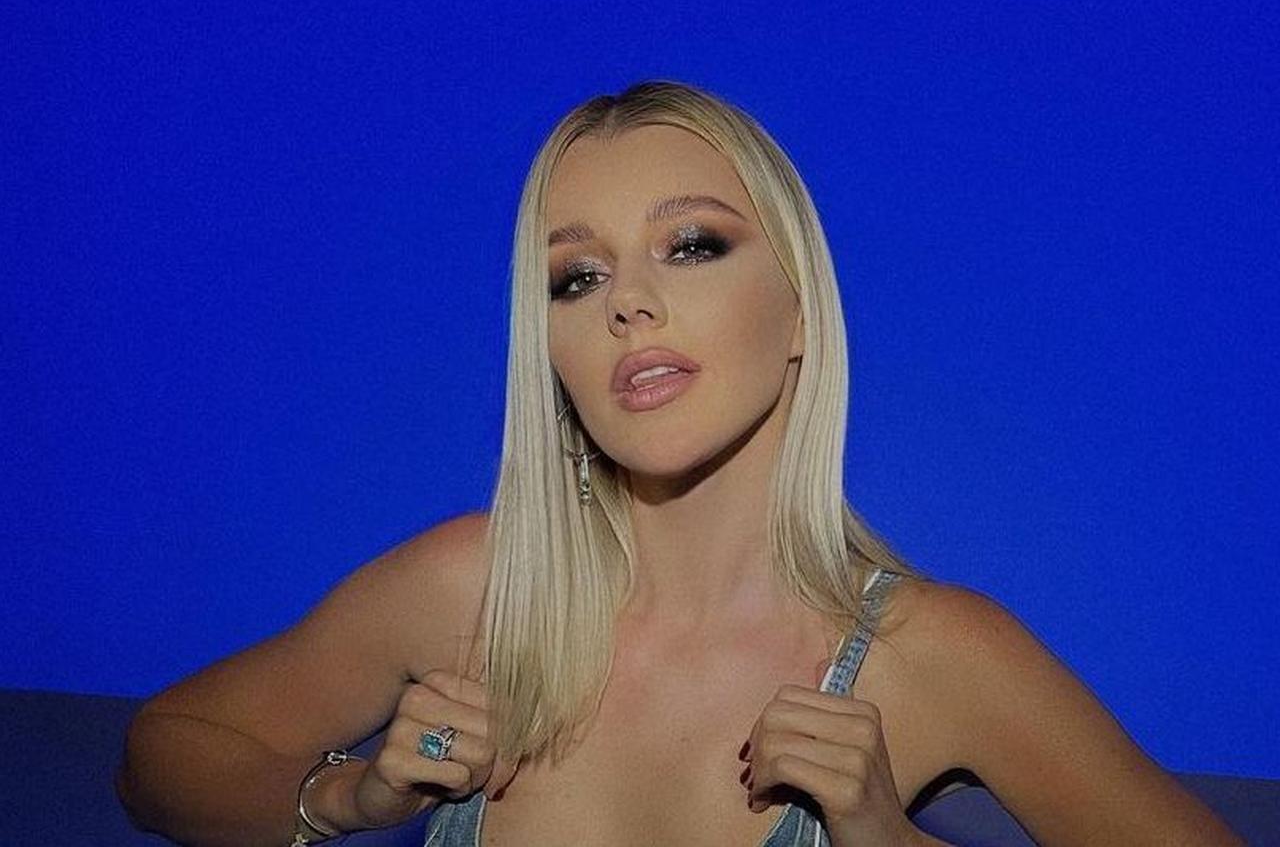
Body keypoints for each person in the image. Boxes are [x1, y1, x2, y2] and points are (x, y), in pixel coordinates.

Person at [116, 81, 1242, 846]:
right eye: (577, 277)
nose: (630, 302)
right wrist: (349, 798)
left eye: (691, 245)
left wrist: (886, 842)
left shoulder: (930, 656)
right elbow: (163, 754)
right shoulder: (473, 591)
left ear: (798, 312)